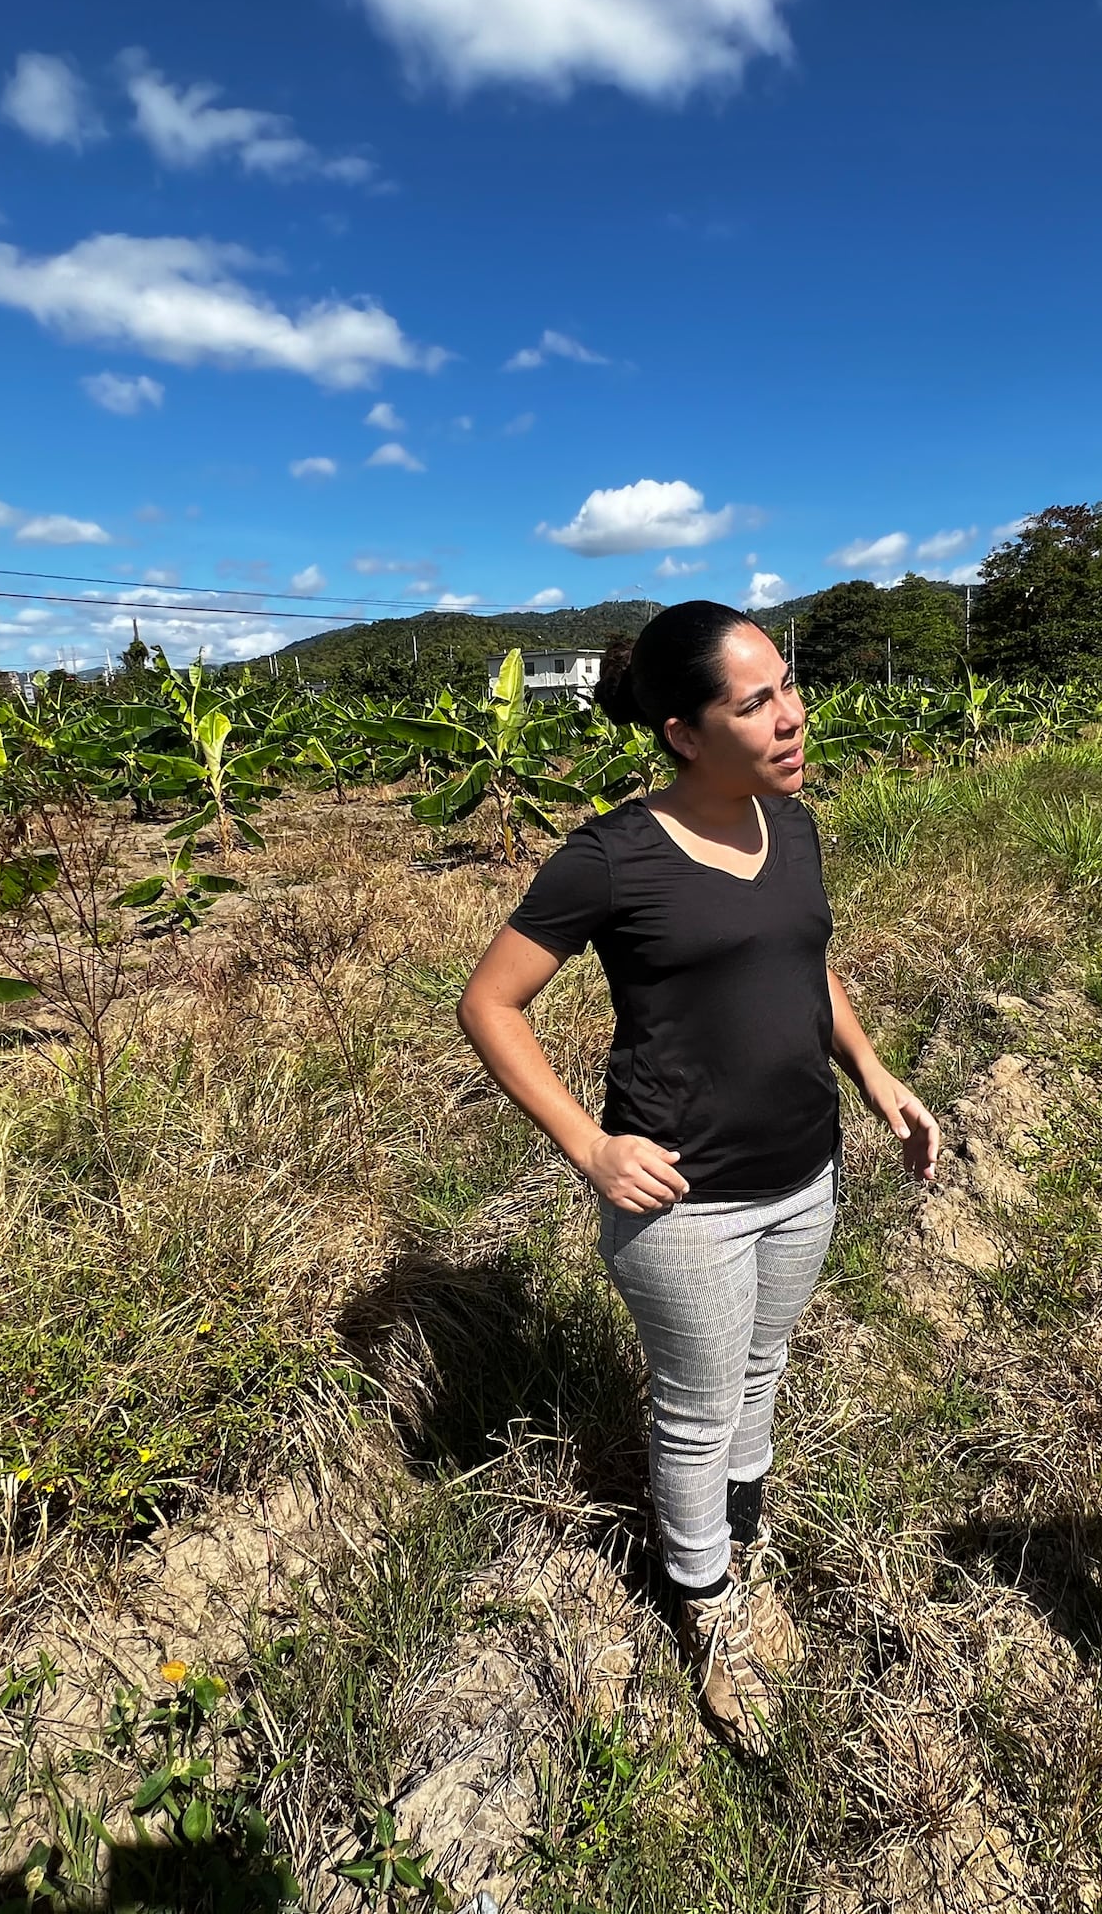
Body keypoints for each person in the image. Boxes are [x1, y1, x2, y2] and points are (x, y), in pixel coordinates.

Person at [455, 601, 941, 1756]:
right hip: (687, 1203)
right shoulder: (612, 855)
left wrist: (870, 1069)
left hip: (803, 1171)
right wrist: (589, 1145)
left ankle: (741, 1542)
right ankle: (711, 1611)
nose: (789, 717)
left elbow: (803, 967)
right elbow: (489, 1003)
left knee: (758, 1381)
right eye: (754, 701)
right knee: (694, 1412)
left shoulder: (794, 825)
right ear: (682, 731)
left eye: (788, 686)